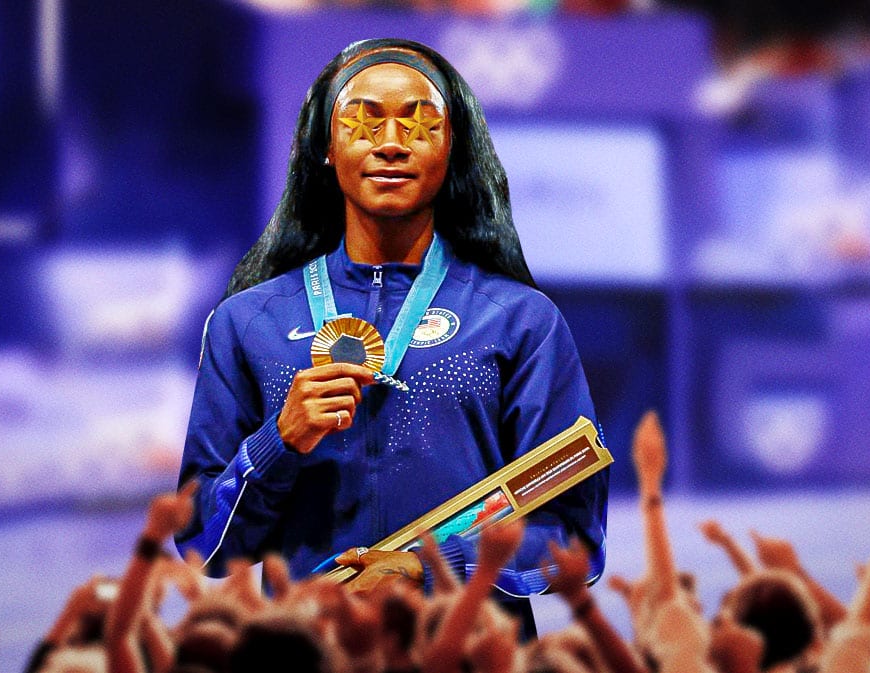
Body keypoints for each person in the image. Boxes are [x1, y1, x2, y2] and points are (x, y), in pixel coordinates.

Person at [174, 37, 609, 637]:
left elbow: (574, 538)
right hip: (308, 650)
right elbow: (201, 542)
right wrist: (278, 441)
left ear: (453, 148)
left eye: (420, 124)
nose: (391, 144)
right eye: (363, 121)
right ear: (325, 148)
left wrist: (427, 569)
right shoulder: (249, 323)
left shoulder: (519, 321)